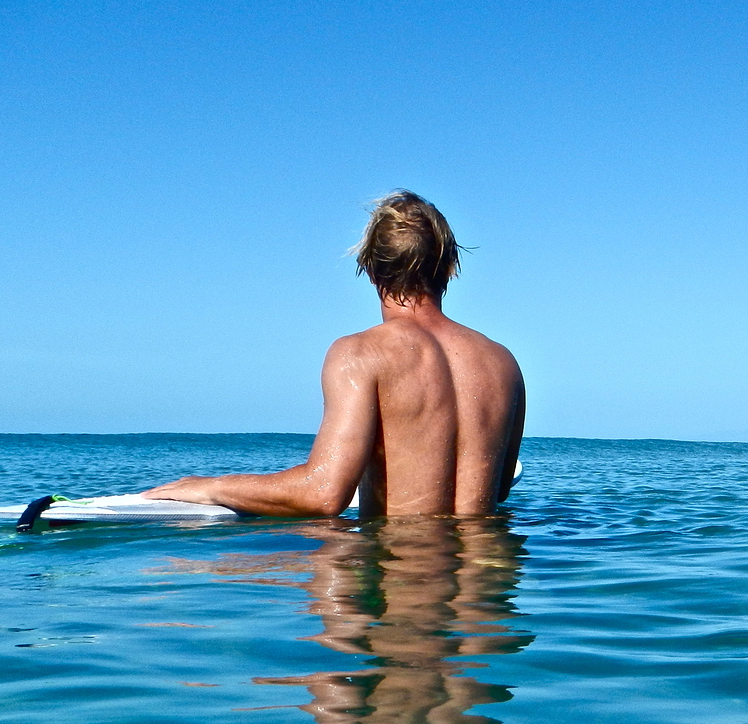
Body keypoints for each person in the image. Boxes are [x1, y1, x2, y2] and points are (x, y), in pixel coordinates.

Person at [147, 191, 525, 518]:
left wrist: (211, 487)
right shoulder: (503, 362)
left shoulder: (360, 354)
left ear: (371, 268)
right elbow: (500, 487)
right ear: (448, 267)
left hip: (407, 583)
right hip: (487, 590)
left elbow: (323, 494)